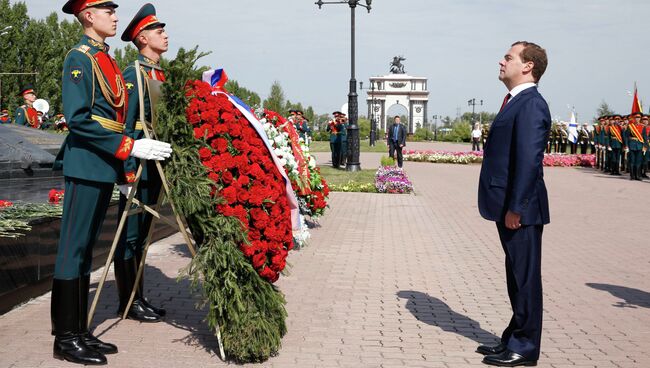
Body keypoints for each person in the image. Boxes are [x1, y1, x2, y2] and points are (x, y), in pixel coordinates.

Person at [52, 1, 172, 365]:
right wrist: (130, 147)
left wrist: (122, 159)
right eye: (108, 11)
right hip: (87, 163)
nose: (115, 16)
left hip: (103, 164)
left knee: (86, 250)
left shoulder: (104, 58)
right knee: (73, 250)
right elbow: (79, 119)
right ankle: (65, 336)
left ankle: (80, 330)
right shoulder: (80, 58)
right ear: (88, 16)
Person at [477, 41, 550, 367]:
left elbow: (529, 161)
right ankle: (513, 336)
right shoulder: (514, 102)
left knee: (525, 277)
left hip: (521, 208)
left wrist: (517, 208)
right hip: (510, 204)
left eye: (509, 57)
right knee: (516, 275)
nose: (501, 61)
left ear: (528, 66)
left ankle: (525, 346)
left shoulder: (531, 104)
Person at [115, 2, 169, 323]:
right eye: (157, 30)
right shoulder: (133, 74)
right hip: (137, 166)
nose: (164, 34)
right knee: (130, 234)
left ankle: (140, 297)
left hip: (157, 164)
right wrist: (125, 170)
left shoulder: (160, 73)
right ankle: (128, 303)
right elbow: (126, 124)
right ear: (142, 37)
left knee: (144, 235)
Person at [624, 112, 646, 180]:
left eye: (639, 117)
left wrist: (645, 146)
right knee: (632, 161)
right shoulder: (630, 126)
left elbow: (645, 137)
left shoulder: (643, 126)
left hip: (639, 145)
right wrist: (627, 146)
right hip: (632, 145)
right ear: (634, 118)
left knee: (638, 161)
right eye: (636, 117)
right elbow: (626, 137)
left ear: (640, 119)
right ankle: (632, 176)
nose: (637, 119)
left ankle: (638, 176)